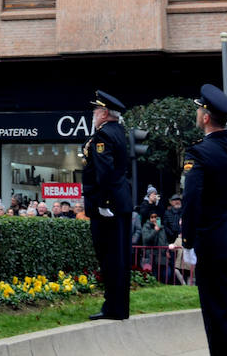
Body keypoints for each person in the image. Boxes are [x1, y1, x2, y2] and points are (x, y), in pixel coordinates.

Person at [180, 83, 227, 356]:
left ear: (205, 117)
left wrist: (188, 242)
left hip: (213, 243)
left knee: (218, 313)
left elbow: (191, 200)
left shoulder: (198, 153)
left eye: (199, 110)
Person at [81, 88, 132, 321]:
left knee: (109, 257)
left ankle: (112, 307)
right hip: (120, 203)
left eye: (95, 110)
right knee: (119, 257)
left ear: (103, 113)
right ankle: (119, 307)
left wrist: (103, 203)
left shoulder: (102, 135)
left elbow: (104, 172)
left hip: (107, 208)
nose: (93, 114)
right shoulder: (120, 131)